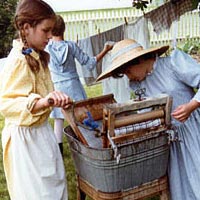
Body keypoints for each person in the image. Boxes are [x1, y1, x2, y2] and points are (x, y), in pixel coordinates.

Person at [96, 38, 200, 200]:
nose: (129, 78)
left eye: (128, 72)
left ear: (139, 60)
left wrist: (191, 105)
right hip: (171, 140)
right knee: (180, 182)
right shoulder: (139, 85)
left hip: (193, 130)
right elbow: (147, 113)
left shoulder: (173, 64)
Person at [0, 0, 71, 199]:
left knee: (53, 191)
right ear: (26, 28)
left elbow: (42, 95)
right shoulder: (18, 60)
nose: (50, 36)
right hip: (26, 140)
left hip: (41, 133)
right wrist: (44, 101)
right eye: (46, 30)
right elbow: (7, 103)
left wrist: (54, 100)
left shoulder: (36, 55)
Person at [46, 15, 114, 154]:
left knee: (58, 120)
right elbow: (89, 63)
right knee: (82, 117)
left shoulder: (46, 49)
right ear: (64, 29)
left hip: (57, 87)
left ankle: (59, 152)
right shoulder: (71, 46)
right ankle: (89, 144)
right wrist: (105, 50)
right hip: (73, 86)